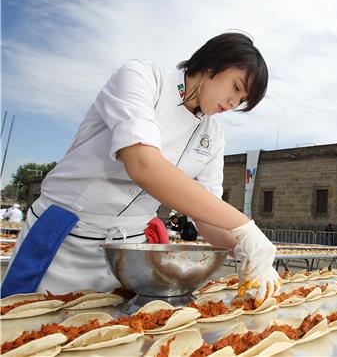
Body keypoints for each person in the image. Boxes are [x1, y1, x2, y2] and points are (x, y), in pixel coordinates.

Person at [2, 33, 280, 304]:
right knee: (25, 329)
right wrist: (244, 226)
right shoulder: (143, 78)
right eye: (235, 87)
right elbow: (142, 163)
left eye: (242, 100)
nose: (234, 103)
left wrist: (242, 249)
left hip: (129, 252)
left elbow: (205, 214)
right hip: (65, 234)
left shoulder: (213, 134)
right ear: (212, 64)